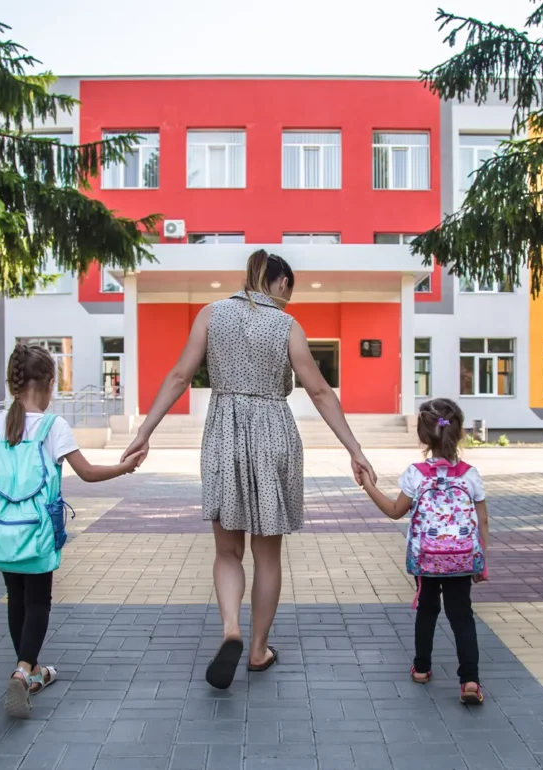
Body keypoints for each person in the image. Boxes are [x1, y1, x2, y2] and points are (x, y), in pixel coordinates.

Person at [122, 249, 376, 689]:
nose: (288, 300)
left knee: (226, 550)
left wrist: (145, 432)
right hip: (274, 434)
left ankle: (230, 630)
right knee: (267, 554)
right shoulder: (286, 326)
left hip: (224, 433)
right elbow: (318, 391)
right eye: (288, 292)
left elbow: (180, 376)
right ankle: (258, 651)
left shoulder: (210, 315)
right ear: (280, 283)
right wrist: (355, 449)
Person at [0, 344, 144, 717]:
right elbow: (87, 473)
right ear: (50, 384)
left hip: (0, 531)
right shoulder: (54, 427)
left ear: (13, 382)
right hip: (37, 531)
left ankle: (31, 670)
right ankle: (22, 672)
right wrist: (125, 468)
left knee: (15, 597)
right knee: (38, 601)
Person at [361, 398, 489, 705]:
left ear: (422, 436)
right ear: (459, 433)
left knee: (427, 609)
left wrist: (368, 485)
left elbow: (395, 511)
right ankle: (469, 680)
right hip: (461, 558)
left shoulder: (416, 474)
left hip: (427, 559)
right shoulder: (470, 474)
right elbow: (482, 519)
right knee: (462, 616)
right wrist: (480, 561)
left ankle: (421, 667)